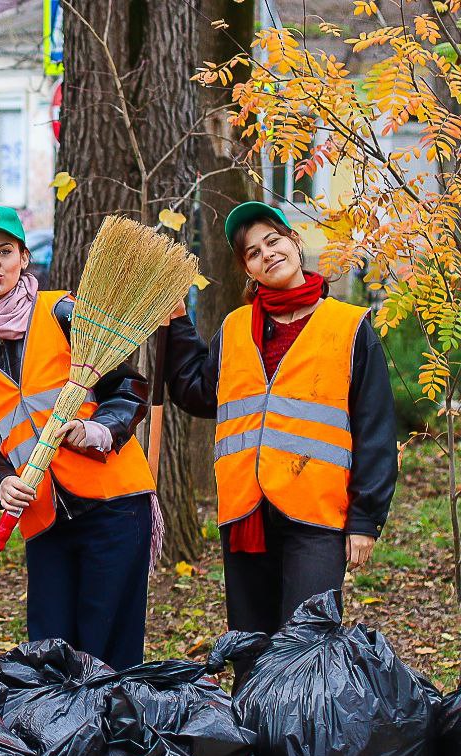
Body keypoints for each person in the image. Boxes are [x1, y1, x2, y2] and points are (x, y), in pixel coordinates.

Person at [0, 204, 156, 669]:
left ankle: (113, 719)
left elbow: (128, 387)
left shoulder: (63, 313)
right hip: (43, 517)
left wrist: (98, 429)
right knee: (50, 651)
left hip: (114, 504)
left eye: (4, 251)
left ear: (23, 257)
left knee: (109, 649)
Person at [165, 201, 397, 637]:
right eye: (253, 253)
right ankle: (252, 688)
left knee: (308, 642)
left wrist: (365, 519)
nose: (267, 254)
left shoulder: (348, 327)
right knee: (250, 643)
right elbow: (198, 392)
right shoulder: (235, 328)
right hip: (247, 512)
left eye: (273, 241)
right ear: (248, 270)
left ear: (294, 241)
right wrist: (177, 323)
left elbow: (376, 429)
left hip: (317, 515)